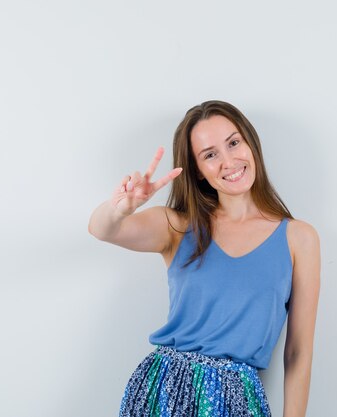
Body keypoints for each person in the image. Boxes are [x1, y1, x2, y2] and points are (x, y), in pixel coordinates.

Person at [88, 100, 320, 417]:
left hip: (238, 398)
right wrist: (119, 208)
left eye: (234, 143)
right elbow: (102, 230)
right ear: (198, 170)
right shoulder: (177, 226)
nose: (228, 161)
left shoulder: (299, 238)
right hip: (165, 391)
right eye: (210, 154)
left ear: (250, 143)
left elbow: (298, 353)